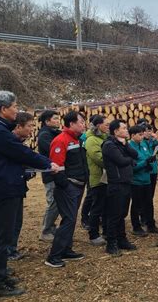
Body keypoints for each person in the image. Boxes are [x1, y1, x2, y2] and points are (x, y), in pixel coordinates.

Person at [0, 91, 56, 296]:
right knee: (1, 236)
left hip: (2, 186)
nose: (17, 110)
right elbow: (21, 153)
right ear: (3, 109)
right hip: (3, 188)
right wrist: (47, 163)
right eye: (15, 106)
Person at [45, 111, 88, 268]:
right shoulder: (61, 140)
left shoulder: (78, 139)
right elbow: (56, 166)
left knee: (71, 219)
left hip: (78, 184)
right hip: (68, 186)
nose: (84, 125)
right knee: (68, 219)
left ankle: (66, 249)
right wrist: (65, 185)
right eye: (81, 122)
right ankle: (53, 256)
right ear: (71, 124)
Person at [102, 120, 138, 256]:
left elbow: (134, 154)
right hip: (116, 183)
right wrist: (130, 160)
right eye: (124, 128)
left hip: (126, 182)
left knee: (122, 213)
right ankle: (111, 243)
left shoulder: (122, 144)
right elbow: (121, 161)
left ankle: (122, 239)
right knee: (114, 214)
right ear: (116, 131)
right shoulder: (109, 145)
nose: (127, 130)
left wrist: (126, 147)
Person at [7, 112, 37, 261]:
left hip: (18, 188)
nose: (32, 129)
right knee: (7, 223)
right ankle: (6, 252)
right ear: (19, 126)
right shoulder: (8, 144)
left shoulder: (20, 142)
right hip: (7, 190)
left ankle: (11, 250)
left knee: (16, 221)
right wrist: (26, 173)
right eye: (30, 126)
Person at [37, 109, 61, 242]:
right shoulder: (45, 135)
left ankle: (51, 227)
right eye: (55, 119)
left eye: (58, 118)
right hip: (50, 173)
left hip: (57, 172)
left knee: (56, 202)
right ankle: (45, 231)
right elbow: (53, 153)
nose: (58, 121)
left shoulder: (54, 133)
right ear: (47, 121)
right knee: (53, 202)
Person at [85, 115, 109, 246]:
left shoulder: (104, 138)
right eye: (106, 124)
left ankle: (106, 231)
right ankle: (93, 234)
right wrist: (114, 161)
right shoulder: (91, 140)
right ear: (99, 125)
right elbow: (99, 158)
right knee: (97, 207)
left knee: (106, 207)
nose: (108, 127)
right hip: (98, 178)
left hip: (107, 178)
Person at [128, 125, 153, 237]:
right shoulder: (129, 147)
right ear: (133, 135)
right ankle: (136, 227)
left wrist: (150, 163)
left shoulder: (143, 145)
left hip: (146, 179)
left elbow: (147, 157)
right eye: (140, 134)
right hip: (136, 181)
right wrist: (145, 163)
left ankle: (150, 224)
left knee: (149, 203)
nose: (142, 136)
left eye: (143, 134)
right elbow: (132, 167)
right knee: (136, 205)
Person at [142, 124, 158, 233]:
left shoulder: (153, 142)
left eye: (151, 131)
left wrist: (156, 142)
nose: (149, 133)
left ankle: (148, 220)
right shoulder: (141, 143)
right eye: (147, 131)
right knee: (146, 198)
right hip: (145, 172)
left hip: (153, 171)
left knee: (150, 197)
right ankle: (146, 221)